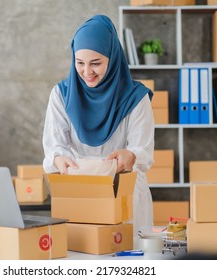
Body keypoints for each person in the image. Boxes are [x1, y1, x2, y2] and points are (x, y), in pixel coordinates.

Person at [42, 14, 155, 237]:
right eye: (79, 63)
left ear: (112, 59)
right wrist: (57, 158)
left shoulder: (135, 97)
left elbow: (143, 151)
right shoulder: (61, 95)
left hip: (126, 195)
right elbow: (54, 146)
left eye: (96, 63)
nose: (87, 72)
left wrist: (131, 156)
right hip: (81, 194)